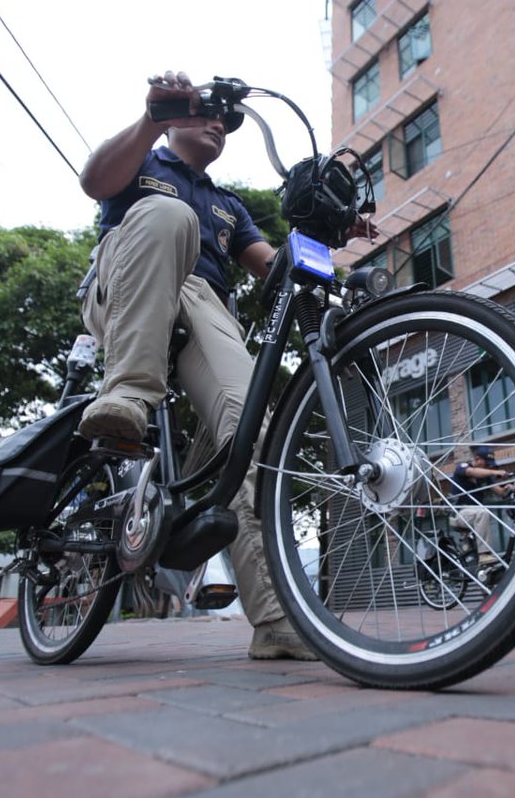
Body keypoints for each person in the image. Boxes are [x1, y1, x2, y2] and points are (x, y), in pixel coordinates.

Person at [75, 70, 369, 661]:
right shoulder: (145, 159)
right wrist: (152, 115)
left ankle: (274, 620)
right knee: (169, 217)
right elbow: (94, 181)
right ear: (177, 117)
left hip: (204, 304)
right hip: (129, 283)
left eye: (227, 122)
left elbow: (271, 266)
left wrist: (328, 230)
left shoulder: (230, 205)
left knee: (251, 432)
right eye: (207, 114)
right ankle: (128, 396)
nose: (218, 124)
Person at [449, 445, 514, 564]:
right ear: (477, 459)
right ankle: (484, 555)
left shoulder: (486, 478)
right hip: (459, 512)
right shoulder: (463, 467)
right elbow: (472, 472)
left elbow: (500, 492)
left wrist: (509, 488)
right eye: (487, 463)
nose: (489, 466)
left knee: (481, 512)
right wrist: (494, 472)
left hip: (473, 512)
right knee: (482, 513)